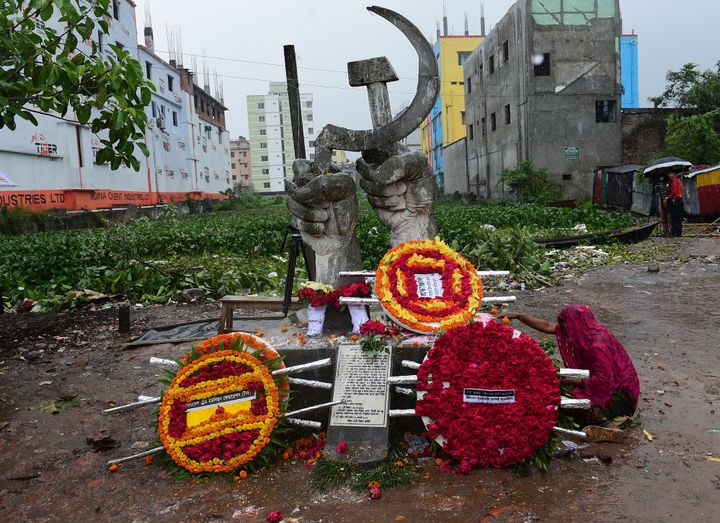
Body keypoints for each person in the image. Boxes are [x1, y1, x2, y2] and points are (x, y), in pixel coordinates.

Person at [505, 305, 640, 425]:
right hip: (613, 385)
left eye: (564, 324)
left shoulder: (597, 346)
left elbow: (602, 382)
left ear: (576, 324)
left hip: (621, 396)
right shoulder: (585, 331)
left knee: (568, 397)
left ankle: (606, 423)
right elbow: (547, 326)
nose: (562, 328)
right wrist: (519, 316)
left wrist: (562, 378)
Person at [664, 170, 684, 237]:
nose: (669, 175)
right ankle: (678, 232)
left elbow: (674, 192)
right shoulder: (677, 180)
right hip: (679, 199)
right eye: (668, 174)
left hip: (675, 200)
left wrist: (667, 198)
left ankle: (675, 232)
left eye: (670, 174)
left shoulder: (674, 181)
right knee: (678, 217)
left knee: (674, 217)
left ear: (673, 173)